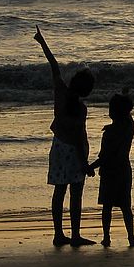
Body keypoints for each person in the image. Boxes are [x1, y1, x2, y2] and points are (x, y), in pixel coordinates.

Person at [34, 26, 96, 247]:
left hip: (58, 148)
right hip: (74, 152)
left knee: (59, 191)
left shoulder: (60, 92)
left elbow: (54, 67)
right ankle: (76, 235)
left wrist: (42, 43)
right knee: (76, 195)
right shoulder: (81, 109)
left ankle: (58, 234)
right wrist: (85, 163)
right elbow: (79, 139)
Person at [89, 90, 134, 247]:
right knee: (126, 206)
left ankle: (106, 237)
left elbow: (105, 156)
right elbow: (128, 116)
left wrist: (90, 167)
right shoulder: (129, 128)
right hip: (124, 169)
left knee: (107, 206)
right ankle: (131, 237)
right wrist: (126, 96)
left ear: (113, 112)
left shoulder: (110, 133)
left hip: (110, 172)